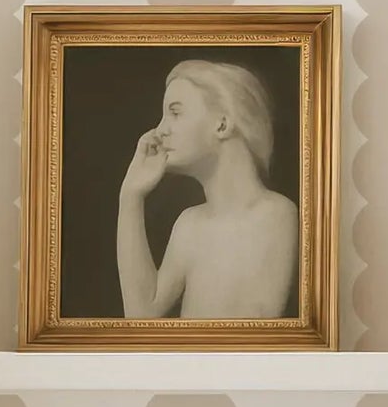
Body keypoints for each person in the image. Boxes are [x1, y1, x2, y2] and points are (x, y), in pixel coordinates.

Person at [117, 60, 298, 320]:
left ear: (222, 125)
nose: (160, 130)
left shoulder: (275, 215)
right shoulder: (189, 224)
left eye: (175, 113)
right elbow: (140, 316)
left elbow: (249, 341)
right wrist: (131, 197)